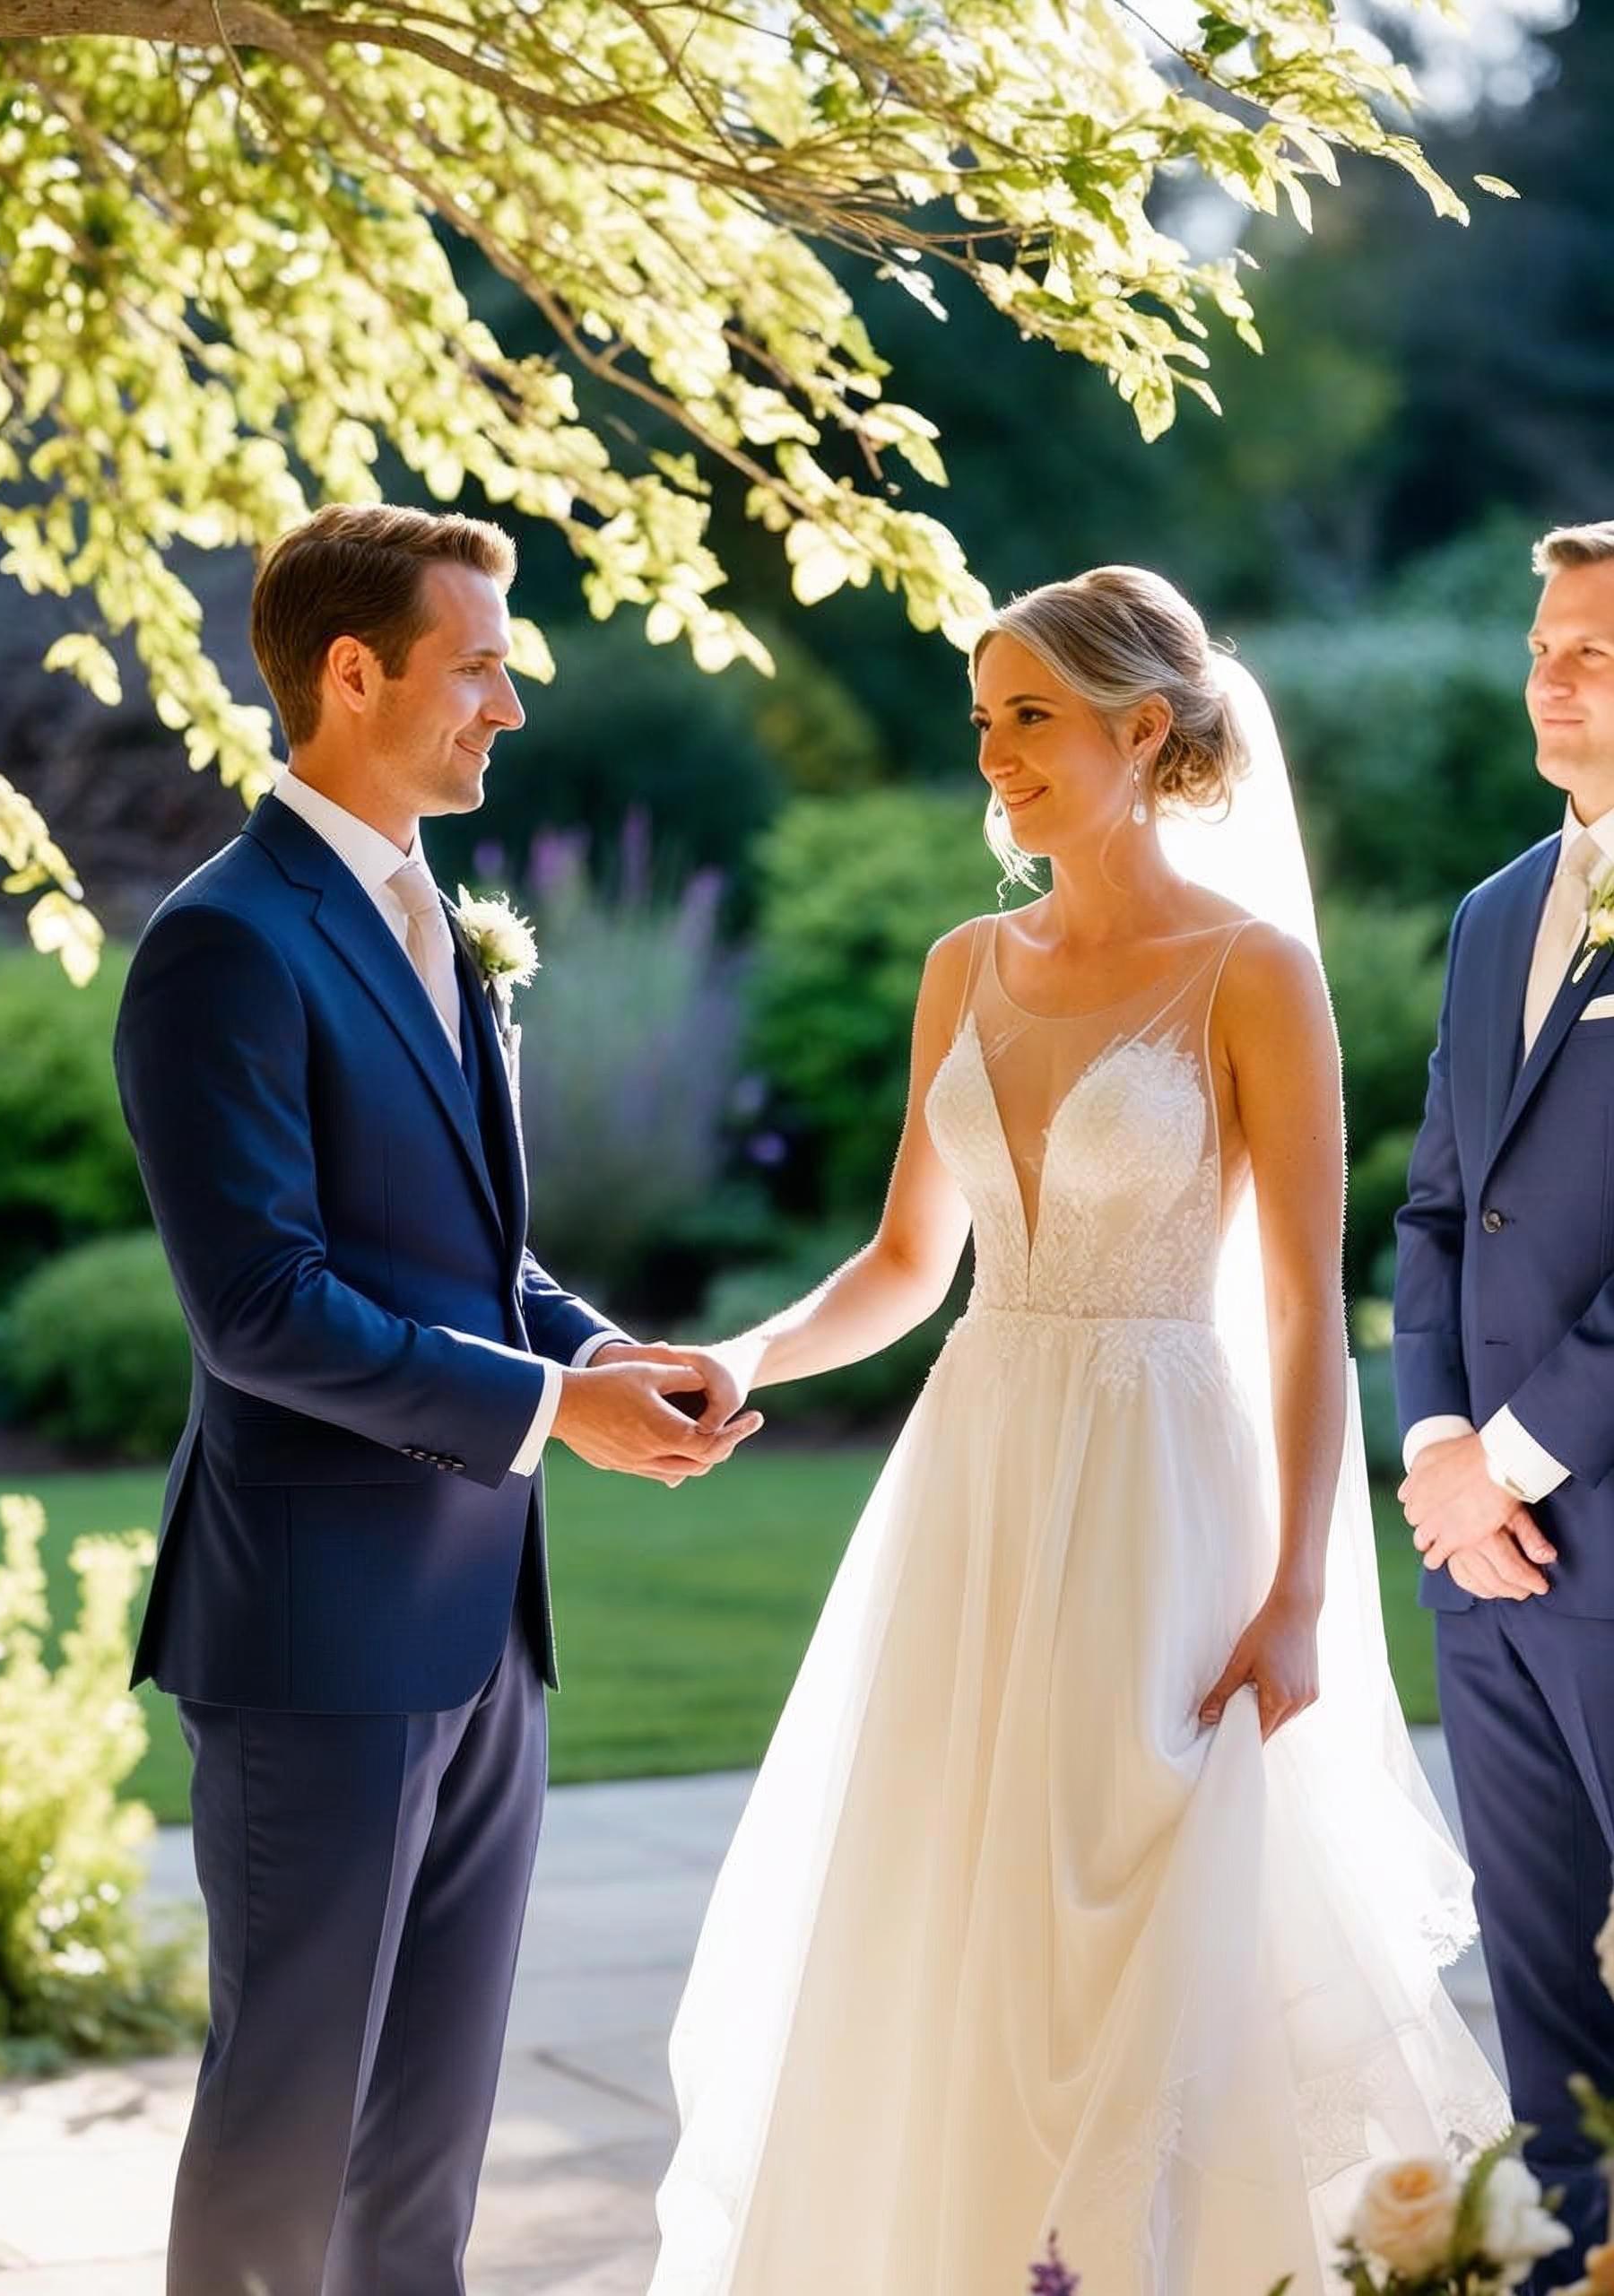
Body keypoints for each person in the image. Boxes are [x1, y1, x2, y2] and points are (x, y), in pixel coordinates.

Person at [649, 567, 1506, 2293]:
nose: (996, 754)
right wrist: (748, 1352)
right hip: (976, 1474)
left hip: (1157, 1493)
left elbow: (1299, 1311)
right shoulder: (964, 966)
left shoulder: (1250, 973)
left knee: (1130, 1907)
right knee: (949, 1902)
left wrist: (1297, 1597)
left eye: (1027, 716)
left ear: (1143, 729)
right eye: (983, 722)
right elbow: (908, 1263)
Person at [113, 502, 757, 2296]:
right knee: (288, 2127)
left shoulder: (435, 917)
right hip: (316, 1629)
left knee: (427, 2151)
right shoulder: (226, 941)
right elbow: (263, 1307)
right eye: (479, 666)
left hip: (486, 1627)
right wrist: (557, 1411)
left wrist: (599, 1346)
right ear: (350, 672)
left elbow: (461, 1255)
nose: (510, 706)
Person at [1396, 517, 1614, 2288]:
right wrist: (1435, 1446)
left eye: (1593, 649)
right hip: (1486, 1562)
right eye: (1544, 643)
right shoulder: (1489, 916)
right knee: (1534, 1978)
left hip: (1586, 1520)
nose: (1553, 671)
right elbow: (1431, 1204)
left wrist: (1513, 1458)